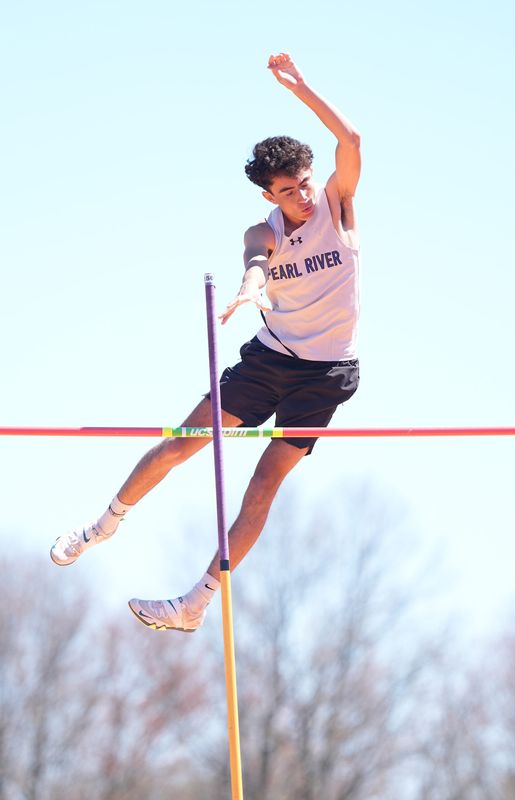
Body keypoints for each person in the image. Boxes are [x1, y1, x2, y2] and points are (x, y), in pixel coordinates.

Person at [50, 52, 362, 632]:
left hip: (326, 372)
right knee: (179, 445)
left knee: (263, 484)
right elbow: (255, 263)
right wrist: (251, 289)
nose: (302, 196)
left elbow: (352, 136)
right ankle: (103, 525)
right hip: (272, 357)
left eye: (305, 183)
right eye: (288, 190)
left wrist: (302, 86)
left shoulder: (338, 205)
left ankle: (197, 600)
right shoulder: (260, 231)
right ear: (269, 196)